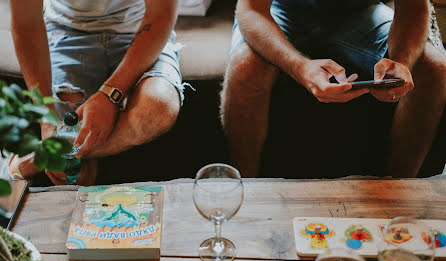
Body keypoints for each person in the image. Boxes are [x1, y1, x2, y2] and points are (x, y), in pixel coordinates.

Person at [220, 0, 446, 177]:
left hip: (360, 12)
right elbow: (251, 9)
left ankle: (398, 194)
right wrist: (300, 68)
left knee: (434, 69)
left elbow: (414, 8)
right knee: (245, 66)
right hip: (283, 9)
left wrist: (401, 63)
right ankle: (245, 188)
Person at [10, 0, 183, 185]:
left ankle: (39, 157)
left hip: (142, 29)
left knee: (158, 108)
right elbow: (26, 23)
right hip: (66, 33)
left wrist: (109, 95)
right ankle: (64, 151)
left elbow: (161, 14)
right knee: (74, 177)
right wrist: (47, 118)